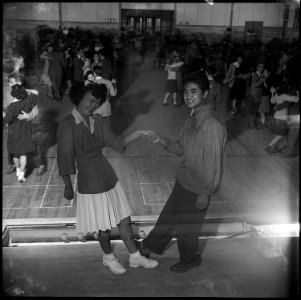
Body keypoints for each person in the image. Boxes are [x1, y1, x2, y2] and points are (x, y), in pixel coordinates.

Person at [56, 83, 159, 275]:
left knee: (124, 221)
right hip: (90, 181)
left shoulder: (98, 120)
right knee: (103, 229)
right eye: (90, 100)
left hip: (107, 175)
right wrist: (68, 186)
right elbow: (65, 157)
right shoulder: (67, 124)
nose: (93, 105)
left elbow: (117, 143)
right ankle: (108, 257)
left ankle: (135, 257)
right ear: (79, 97)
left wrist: (139, 133)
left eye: (97, 101)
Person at [136, 74, 227, 273]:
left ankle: (190, 259)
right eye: (185, 92)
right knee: (167, 218)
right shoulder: (193, 119)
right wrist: (161, 140)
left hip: (198, 187)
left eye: (194, 92)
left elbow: (213, 163)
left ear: (205, 94)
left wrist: (205, 191)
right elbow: (180, 148)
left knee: (188, 228)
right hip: (184, 180)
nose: (188, 96)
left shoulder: (211, 126)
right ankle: (147, 247)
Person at [3, 84, 37, 182]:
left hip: (14, 132)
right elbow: (36, 94)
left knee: (15, 154)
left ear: (13, 94)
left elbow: (7, 120)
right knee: (23, 154)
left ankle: (17, 169)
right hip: (25, 130)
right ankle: (21, 174)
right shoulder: (29, 100)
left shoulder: (11, 106)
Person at [264, 84, 299, 154]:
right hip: (281, 119)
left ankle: (275, 148)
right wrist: (297, 93)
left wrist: (272, 93)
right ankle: (268, 147)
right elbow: (296, 99)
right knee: (280, 135)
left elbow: (271, 101)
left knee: (278, 134)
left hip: (276, 117)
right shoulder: (285, 96)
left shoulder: (277, 95)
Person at [246, 62, 265, 129]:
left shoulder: (260, 75)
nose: (261, 68)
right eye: (260, 66)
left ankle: (250, 123)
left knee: (253, 111)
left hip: (256, 96)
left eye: (262, 67)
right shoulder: (255, 75)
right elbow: (254, 84)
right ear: (257, 67)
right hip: (254, 96)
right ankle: (251, 124)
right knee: (253, 111)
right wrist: (261, 81)